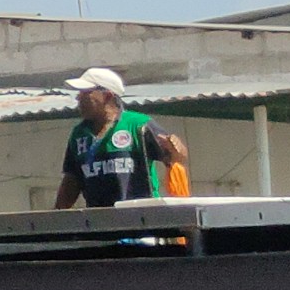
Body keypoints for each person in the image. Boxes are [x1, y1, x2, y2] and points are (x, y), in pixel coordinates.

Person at [53, 66, 191, 208]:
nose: (78, 97)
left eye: (85, 93)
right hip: (99, 218)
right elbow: (72, 180)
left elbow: (176, 158)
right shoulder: (79, 134)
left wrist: (175, 149)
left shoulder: (138, 125)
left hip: (140, 215)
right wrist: (56, 214)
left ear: (107, 96)